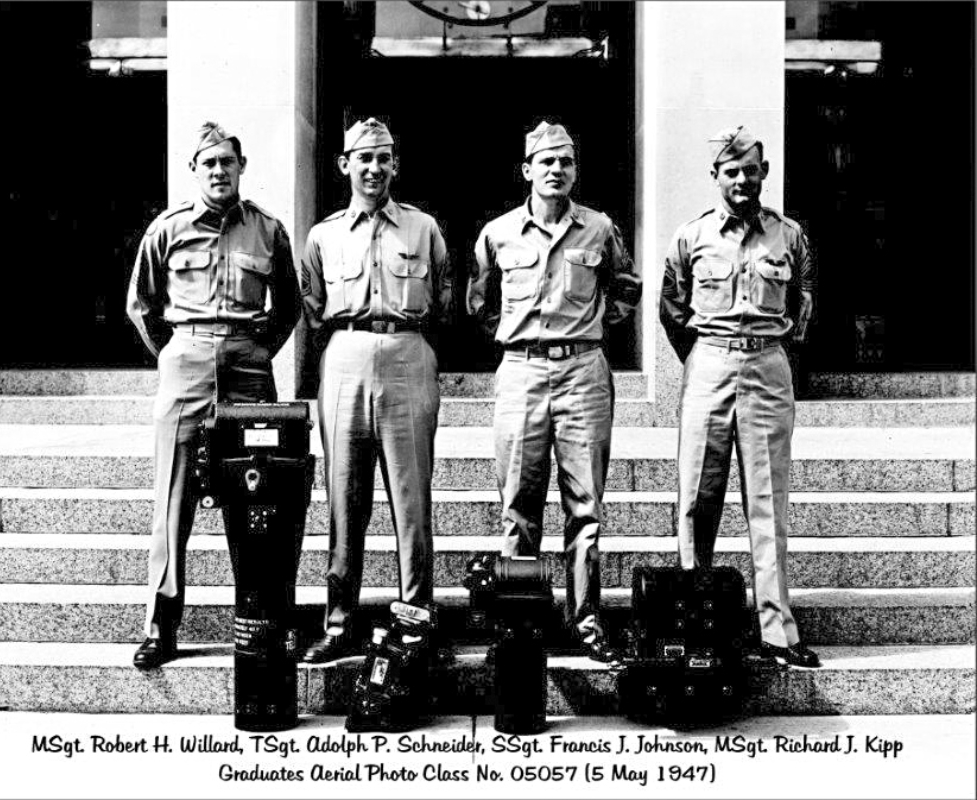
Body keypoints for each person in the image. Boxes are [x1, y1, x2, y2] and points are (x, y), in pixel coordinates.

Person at [126, 121, 301, 670]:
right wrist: (178, 354)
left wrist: (254, 351)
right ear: (194, 171)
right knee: (172, 500)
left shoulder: (268, 230)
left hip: (248, 369)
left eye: (228, 162)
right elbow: (141, 304)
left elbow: (290, 305)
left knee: (258, 498)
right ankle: (161, 624)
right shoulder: (168, 229)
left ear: (242, 167)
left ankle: (261, 618)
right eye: (209, 164)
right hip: (187, 363)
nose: (219, 172)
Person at [468, 121, 641, 662]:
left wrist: (587, 331)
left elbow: (627, 289)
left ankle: (586, 620)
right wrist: (523, 341)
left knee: (585, 507)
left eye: (565, 162)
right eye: (546, 162)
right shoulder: (497, 234)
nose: (556, 170)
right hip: (521, 371)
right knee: (518, 505)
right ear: (527, 171)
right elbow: (480, 302)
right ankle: (520, 623)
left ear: (575, 170)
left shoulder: (600, 229)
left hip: (583, 372)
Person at [660, 125, 820, 668]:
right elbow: (672, 308)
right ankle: (691, 617)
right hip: (709, 361)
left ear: (764, 174)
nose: (742, 181)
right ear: (716, 178)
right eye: (732, 172)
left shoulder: (790, 237)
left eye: (751, 171)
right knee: (696, 499)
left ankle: (777, 629)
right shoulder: (691, 237)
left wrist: (770, 350)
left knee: (768, 501)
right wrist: (708, 356)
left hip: (768, 366)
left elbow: (802, 301)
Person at [299, 117, 453, 663]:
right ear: (345, 165)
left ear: (395, 165)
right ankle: (339, 623)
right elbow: (314, 307)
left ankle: (416, 620)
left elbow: (443, 296)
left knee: (412, 501)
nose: (374, 168)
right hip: (343, 357)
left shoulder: (423, 228)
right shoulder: (323, 235)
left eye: (383, 158)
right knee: (344, 497)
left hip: (408, 354)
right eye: (363, 158)